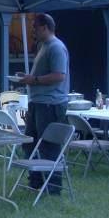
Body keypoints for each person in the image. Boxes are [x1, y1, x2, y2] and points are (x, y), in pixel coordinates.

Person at [18, 13, 70, 194]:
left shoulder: (56, 47)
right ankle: (36, 182)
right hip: (37, 103)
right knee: (30, 143)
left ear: (45, 27)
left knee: (48, 146)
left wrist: (34, 80)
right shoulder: (43, 46)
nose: (33, 31)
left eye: (35, 28)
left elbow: (59, 75)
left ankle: (53, 186)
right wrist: (29, 78)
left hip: (50, 104)